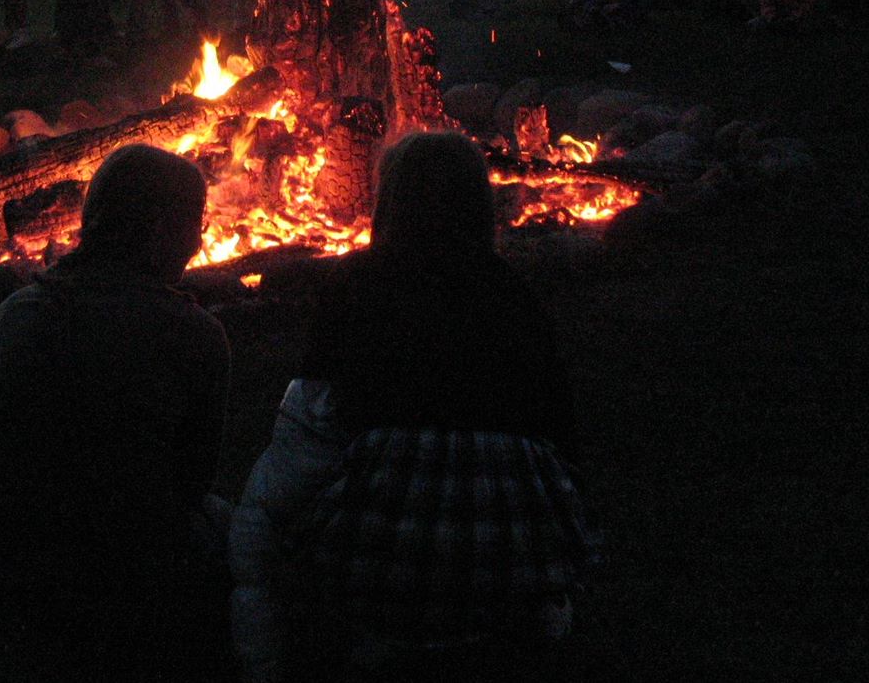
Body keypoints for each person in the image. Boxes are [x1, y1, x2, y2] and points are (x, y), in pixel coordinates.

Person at [230, 132, 598, 681]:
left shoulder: (357, 283)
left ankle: (287, 654)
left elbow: (310, 421)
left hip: (382, 557)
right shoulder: (513, 292)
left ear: (389, 200)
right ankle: (514, 625)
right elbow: (561, 437)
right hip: (509, 555)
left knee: (262, 518)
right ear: (480, 205)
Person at [0, 144, 232, 679]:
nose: (200, 241)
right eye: (195, 224)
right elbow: (192, 479)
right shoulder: (194, 334)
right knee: (235, 526)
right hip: (116, 564)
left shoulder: (18, 311)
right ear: (159, 229)